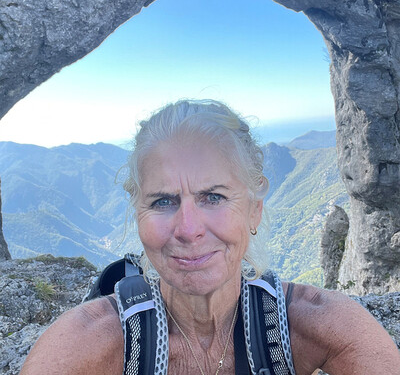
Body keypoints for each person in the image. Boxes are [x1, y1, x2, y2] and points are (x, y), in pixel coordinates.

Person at [20, 100, 400, 375]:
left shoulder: (320, 324)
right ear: (138, 216)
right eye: (163, 201)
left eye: (213, 197)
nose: (188, 229)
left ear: (254, 210)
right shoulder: (87, 342)